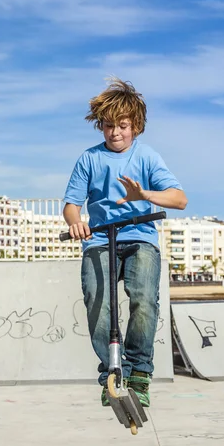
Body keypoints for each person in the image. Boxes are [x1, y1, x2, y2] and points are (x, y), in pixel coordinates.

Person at [63, 78, 187, 407]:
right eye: (108, 126)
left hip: (140, 236)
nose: (115, 133)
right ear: (100, 127)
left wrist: (144, 194)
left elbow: (179, 198)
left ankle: (139, 373)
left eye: (122, 125)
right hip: (100, 239)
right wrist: (76, 224)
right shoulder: (89, 159)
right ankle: (114, 372)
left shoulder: (147, 157)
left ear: (135, 126)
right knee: (97, 303)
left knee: (144, 301)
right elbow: (71, 205)